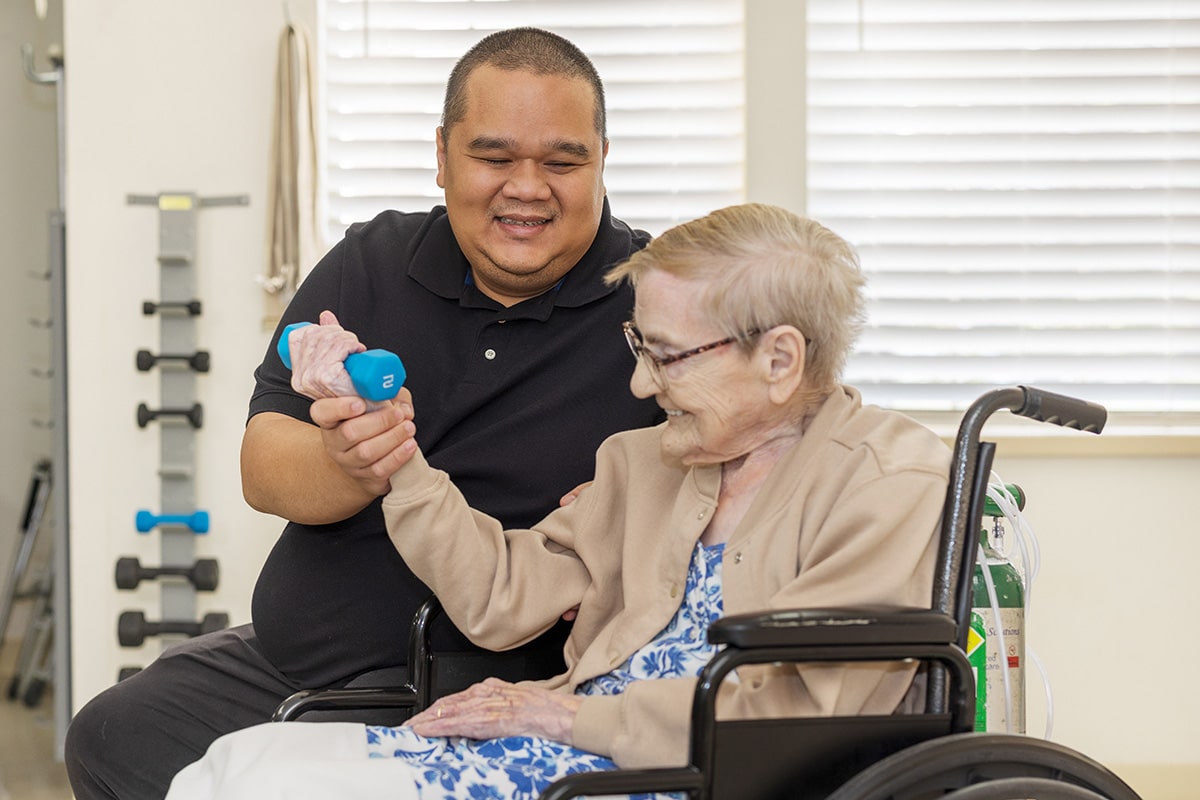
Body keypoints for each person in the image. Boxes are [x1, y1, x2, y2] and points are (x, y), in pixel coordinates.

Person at [163, 203, 953, 800]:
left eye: (669, 357)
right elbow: (502, 596)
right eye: (640, 349)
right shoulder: (646, 462)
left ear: (780, 357)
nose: (643, 386)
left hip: (667, 776)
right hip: (564, 760)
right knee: (232, 768)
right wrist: (393, 449)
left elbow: (796, 720)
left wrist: (564, 719)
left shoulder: (889, 483)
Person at [64, 27, 665, 800]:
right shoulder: (371, 261)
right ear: (443, 157)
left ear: (601, 161)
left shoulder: (657, 302)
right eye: (494, 157)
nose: (527, 187)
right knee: (111, 736)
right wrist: (349, 463)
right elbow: (263, 465)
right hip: (301, 660)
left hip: (522, 686)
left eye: (562, 161)